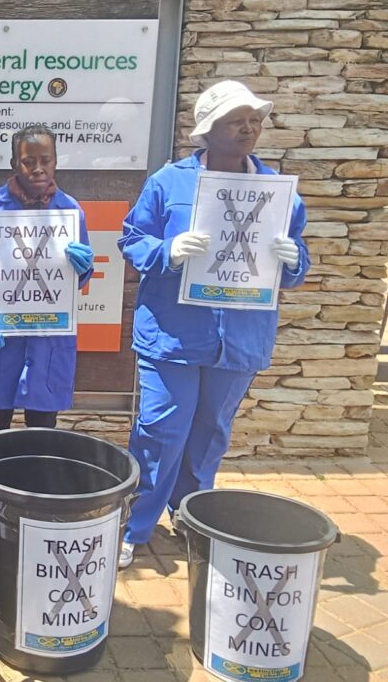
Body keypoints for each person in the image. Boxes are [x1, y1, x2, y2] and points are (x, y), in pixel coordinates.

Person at [118, 80, 309, 568]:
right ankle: (135, 526)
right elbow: (132, 238)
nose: (248, 128)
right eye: (235, 120)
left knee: (210, 434)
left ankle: (190, 517)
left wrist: (293, 262)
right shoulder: (169, 183)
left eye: (254, 119)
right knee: (161, 429)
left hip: (240, 337)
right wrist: (166, 252)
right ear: (209, 130)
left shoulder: (277, 193)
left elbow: (294, 261)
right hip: (173, 334)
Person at [0, 125, 95, 537]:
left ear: (55, 161)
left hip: (49, 339)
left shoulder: (70, 212)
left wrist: (82, 270)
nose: (36, 168)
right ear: (14, 161)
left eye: (44, 160)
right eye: (28, 160)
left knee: (41, 427)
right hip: (2, 336)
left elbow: (77, 283)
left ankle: (34, 506)